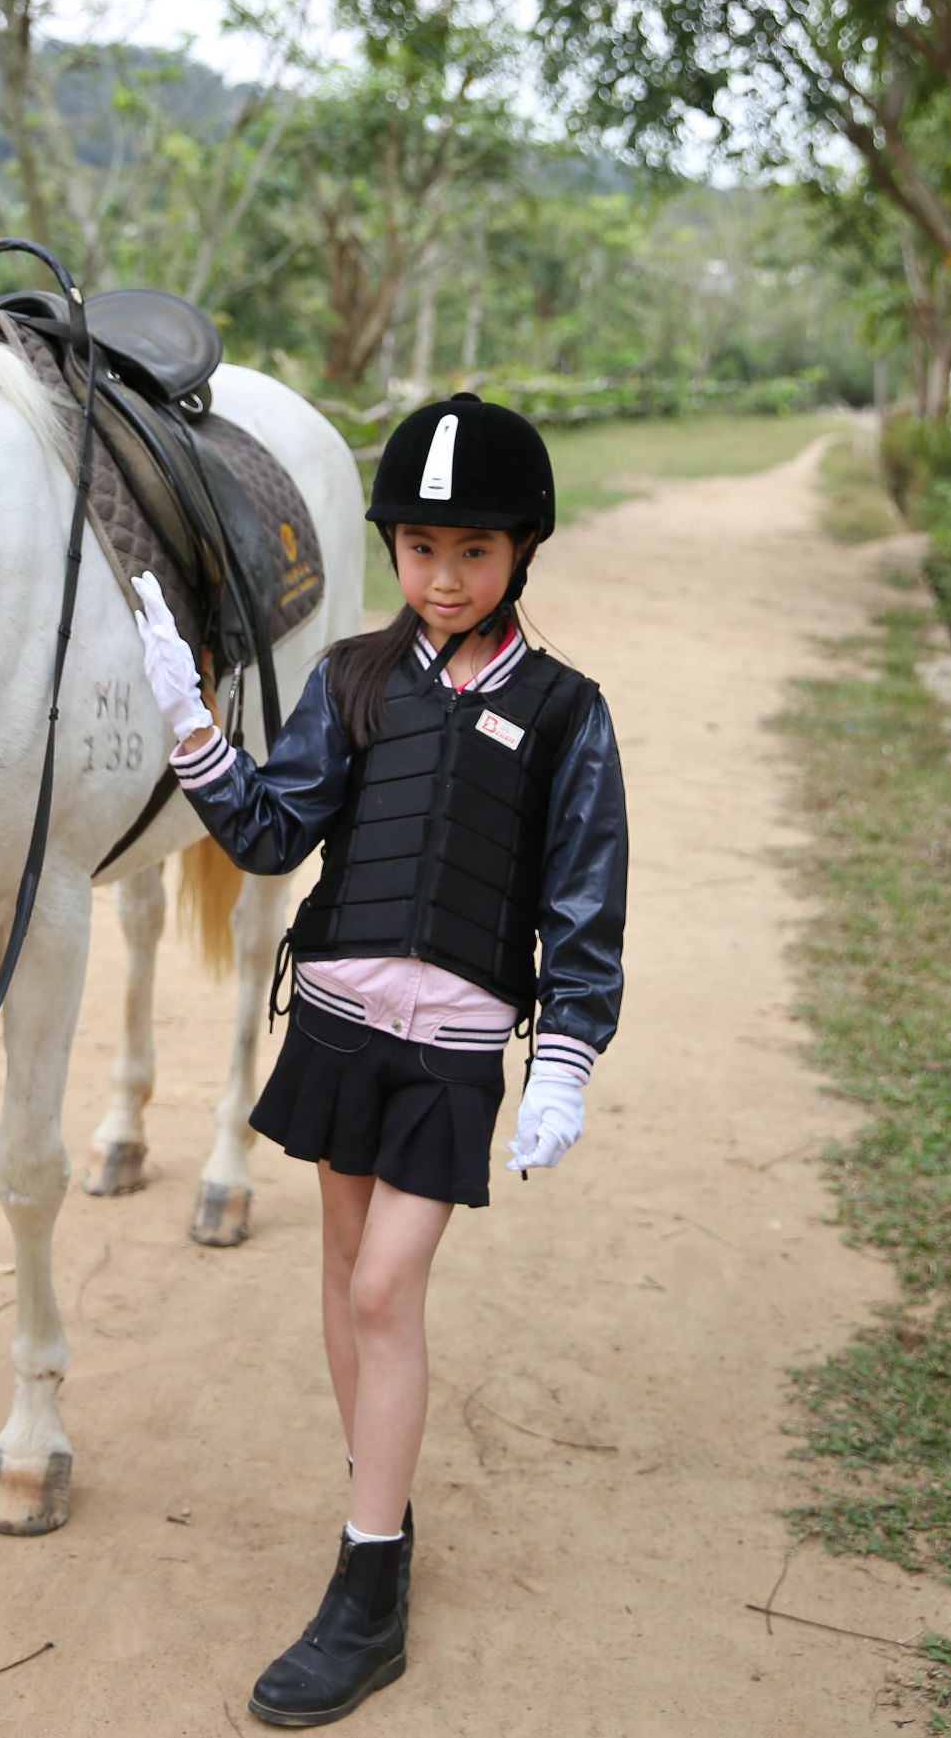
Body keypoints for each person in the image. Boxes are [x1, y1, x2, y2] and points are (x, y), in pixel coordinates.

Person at [131, 391, 627, 1729]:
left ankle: (364, 1592)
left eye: (474, 551)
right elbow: (273, 833)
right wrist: (194, 730)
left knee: (386, 1286)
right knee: (346, 1277)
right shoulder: (353, 676)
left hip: (451, 1053)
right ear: (393, 547)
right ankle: (383, 1518)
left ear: (522, 550)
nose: (444, 577)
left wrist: (567, 1054)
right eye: (419, 548)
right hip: (340, 1029)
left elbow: (583, 901)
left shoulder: (568, 712)